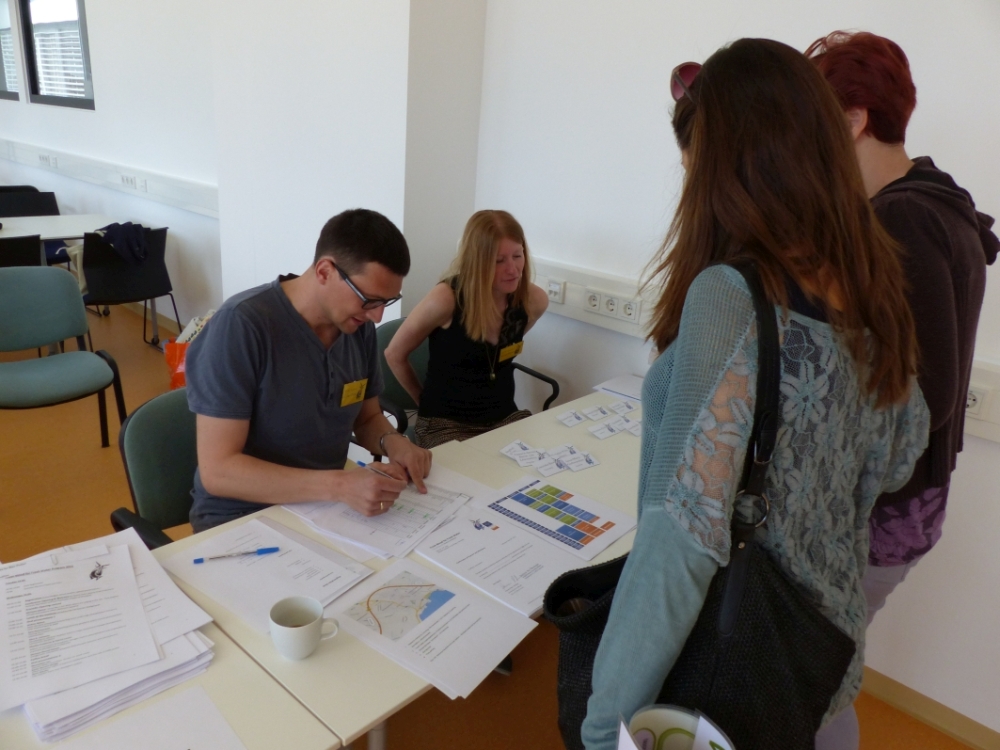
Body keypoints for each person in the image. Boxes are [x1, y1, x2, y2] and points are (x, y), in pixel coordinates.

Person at [581, 39, 930, 750]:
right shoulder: (874, 292)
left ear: (730, 170)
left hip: (734, 672)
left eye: (694, 169)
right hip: (824, 660)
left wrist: (602, 723)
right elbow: (897, 460)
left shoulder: (731, 297)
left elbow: (683, 540)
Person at [806, 31, 998, 748]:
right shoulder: (935, 203)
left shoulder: (902, 217)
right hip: (909, 502)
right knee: (826, 670)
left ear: (855, 118)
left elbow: (927, 396)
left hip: (883, 510)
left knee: (813, 681)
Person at [185, 208, 433, 532]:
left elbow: (367, 418)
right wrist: (340, 485)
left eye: (386, 301)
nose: (377, 317)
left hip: (322, 508)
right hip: (241, 518)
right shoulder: (241, 326)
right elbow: (218, 471)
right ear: (325, 271)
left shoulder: (356, 328)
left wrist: (393, 442)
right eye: (369, 300)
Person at [385, 210, 549, 449]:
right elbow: (394, 354)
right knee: (471, 471)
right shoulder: (446, 299)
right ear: (477, 261)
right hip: (445, 423)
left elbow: (499, 352)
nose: (513, 270)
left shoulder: (533, 301)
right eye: (499, 261)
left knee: (543, 460)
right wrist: (423, 402)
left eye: (517, 256)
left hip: (504, 418)